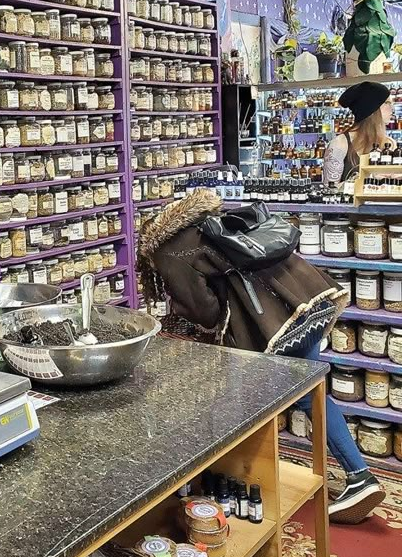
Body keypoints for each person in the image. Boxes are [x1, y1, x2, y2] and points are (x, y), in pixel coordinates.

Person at [136, 188, 386, 524]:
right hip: (303, 301)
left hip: (270, 326)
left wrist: (179, 311)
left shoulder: (166, 252)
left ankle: (238, 485)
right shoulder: (203, 221)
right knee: (311, 397)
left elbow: (205, 311)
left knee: (237, 404)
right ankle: (359, 475)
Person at [324, 80, 393, 185]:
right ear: (371, 109)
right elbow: (329, 188)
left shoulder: (390, 144)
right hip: (351, 202)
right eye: (387, 103)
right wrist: (366, 177)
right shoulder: (340, 144)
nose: (392, 108)